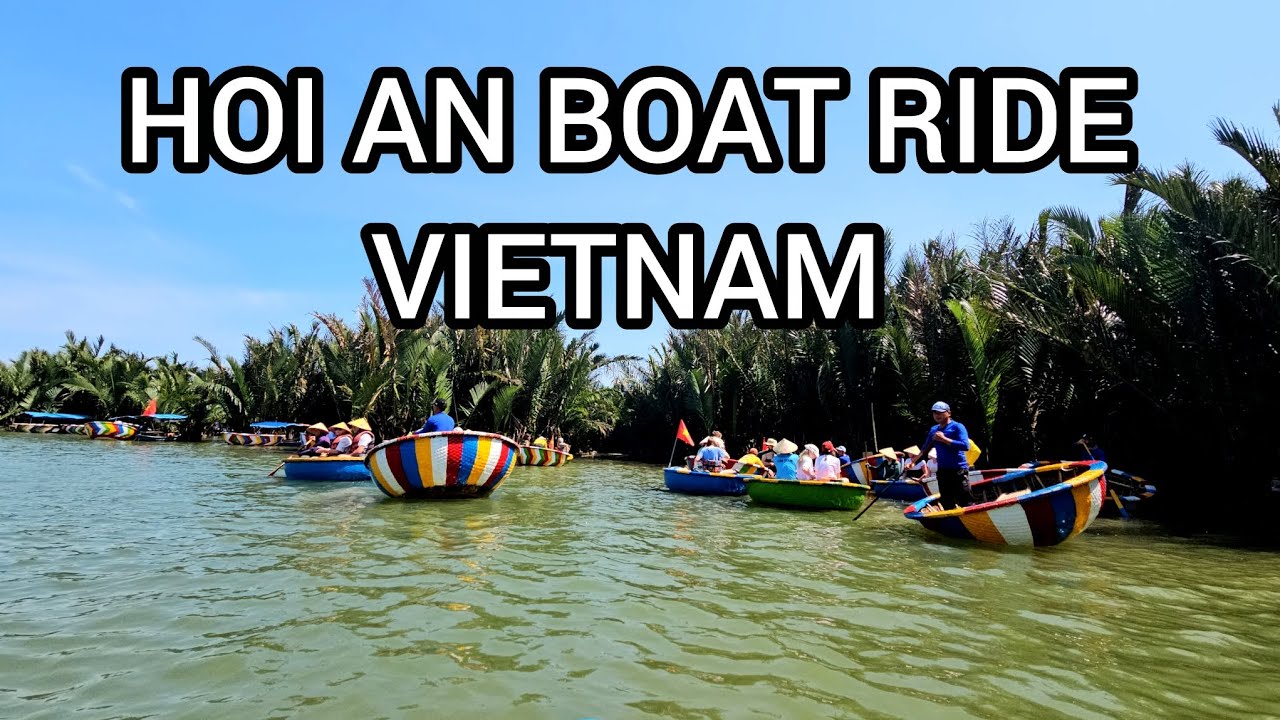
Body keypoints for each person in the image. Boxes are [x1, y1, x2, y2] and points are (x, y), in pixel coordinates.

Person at [906, 401, 973, 509]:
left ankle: (972, 522)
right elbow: (924, 448)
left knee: (965, 499)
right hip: (942, 470)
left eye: (940, 412)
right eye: (935, 413)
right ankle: (952, 522)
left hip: (959, 469)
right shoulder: (934, 430)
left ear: (949, 413)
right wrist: (913, 462)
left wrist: (944, 439)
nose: (937, 415)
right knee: (946, 501)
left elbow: (965, 446)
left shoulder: (958, 427)